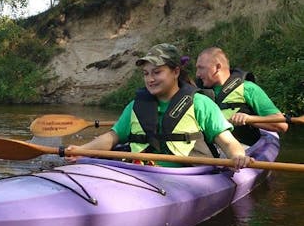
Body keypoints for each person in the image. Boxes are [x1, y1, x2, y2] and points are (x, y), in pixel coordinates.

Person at [66, 43, 252, 170]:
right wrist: (82, 151)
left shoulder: (200, 104)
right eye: (145, 73)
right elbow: (113, 136)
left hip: (187, 178)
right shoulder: (135, 107)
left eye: (157, 72)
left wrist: (237, 156)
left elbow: (228, 142)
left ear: (175, 72)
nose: (150, 79)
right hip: (141, 173)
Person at [195, 47, 288, 145]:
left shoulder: (248, 88)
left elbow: (281, 125)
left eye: (201, 68)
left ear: (217, 67)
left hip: (244, 149)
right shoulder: (198, 93)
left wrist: (249, 119)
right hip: (212, 151)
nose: (197, 74)